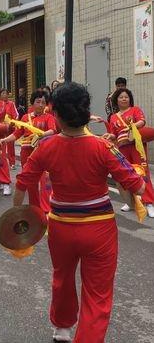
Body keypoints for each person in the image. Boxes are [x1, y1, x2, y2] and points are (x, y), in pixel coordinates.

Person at [13, 82, 145, 343]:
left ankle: (61, 329)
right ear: (86, 112)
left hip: (61, 227)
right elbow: (138, 187)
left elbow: (22, 184)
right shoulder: (103, 148)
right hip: (99, 230)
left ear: (57, 114)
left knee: (62, 277)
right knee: (97, 294)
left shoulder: (45, 147)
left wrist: (18, 220)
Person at [0, 90, 56, 213]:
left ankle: (47, 210)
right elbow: (17, 133)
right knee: (30, 182)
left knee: (45, 182)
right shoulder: (25, 117)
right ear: (32, 103)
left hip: (43, 153)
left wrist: (41, 135)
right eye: (38, 102)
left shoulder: (48, 117)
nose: (40, 104)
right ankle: (35, 209)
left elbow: (52, 130)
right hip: (26, 152)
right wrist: (5, 140)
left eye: (43, 102)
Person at [105, 88, 154, 217]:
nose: (124, 99)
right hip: (122, 148)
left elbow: (142, 122)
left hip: (137, 146)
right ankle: (131, 202)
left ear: (130, 99)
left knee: (143, 173)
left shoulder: (135, 110)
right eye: (121, 97)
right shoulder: (114, 117)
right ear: (116, 100)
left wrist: (132, 126)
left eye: (126, 97)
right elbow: (113, 134)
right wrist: (109, 136)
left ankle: (149, 202)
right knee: (127, 173)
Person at [0, 88, 19, 170]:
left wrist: (13, 122)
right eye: (2, 93)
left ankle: (12, 163)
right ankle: (2, 162)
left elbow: (16, 115)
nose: (4, 95)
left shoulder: (11, 104)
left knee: (10, 146)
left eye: (5, 93)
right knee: (1, 145)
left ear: (8, 95)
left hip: (10, 127)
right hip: (0, 128)